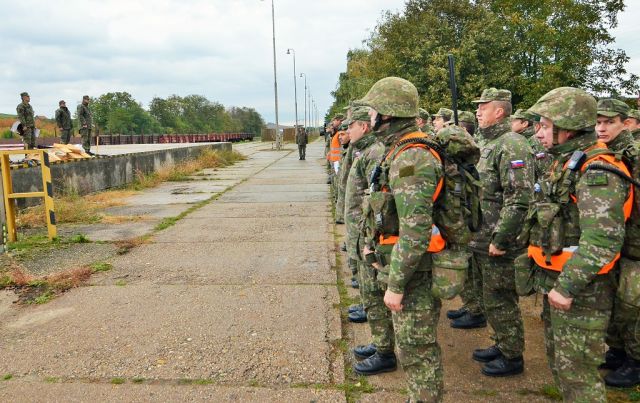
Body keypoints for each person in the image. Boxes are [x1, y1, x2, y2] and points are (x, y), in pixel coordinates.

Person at [524, 88, 633, 401]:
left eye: (545, 126)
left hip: (584, 291)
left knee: (579, 377)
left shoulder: (597, 171)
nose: (538, 132)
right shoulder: (569, 161)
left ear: (568, 128)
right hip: (562, 282)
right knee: (562, 368)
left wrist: (567, 287)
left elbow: (603, 240)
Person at [358, 77, 448, 401]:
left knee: (417, 349)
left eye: (373, 111)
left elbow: (415, 229)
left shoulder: (412, 158)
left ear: (388, 114)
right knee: (411, 346)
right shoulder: (400, 150)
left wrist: (396, 284)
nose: (370, 117)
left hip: (415, 273)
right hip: (407, 266)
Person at [467, 88, 533, 377]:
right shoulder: (487, 143)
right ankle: (501, 342)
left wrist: (502, 238)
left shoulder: (512, 145)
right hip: (481, 237)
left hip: (498, 239)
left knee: (501, 299)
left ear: (500, 111)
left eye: (483, 107)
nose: (478, 111)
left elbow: (519, 198)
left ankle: (512, 355)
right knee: (488, 297)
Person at [593, 99, 640, 388]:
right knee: (611, 300)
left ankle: (636, 360)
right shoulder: (602, 154)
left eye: (609, 122)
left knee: (631, 305)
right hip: (613, 242)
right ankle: (618, 351)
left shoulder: (634, 156)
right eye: (598, 122)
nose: (602, 128)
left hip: (635, 246)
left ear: (626, 123)